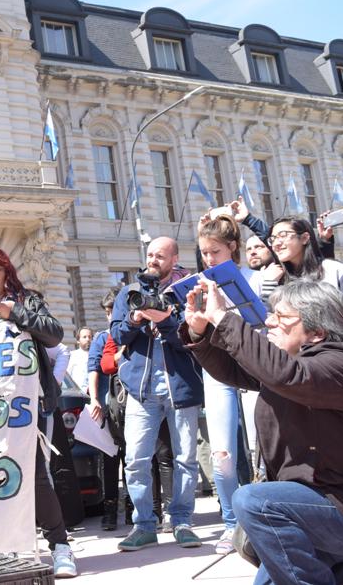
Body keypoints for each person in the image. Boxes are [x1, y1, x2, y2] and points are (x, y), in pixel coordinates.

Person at [180, 279, 343, 584]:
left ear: (317, 332)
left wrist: (223, 317)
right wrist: (200, 331)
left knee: (255, 501)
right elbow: (235, 369)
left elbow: (287, 375)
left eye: (282, 316)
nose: (269, 322)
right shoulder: (292, 366)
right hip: (314, 513)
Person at [0, 246, 77, 578]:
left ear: (6, 273)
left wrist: (15, 313)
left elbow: (54, 335)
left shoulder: (28, 301)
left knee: (36, 474)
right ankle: (4, 546)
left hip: (27, 404)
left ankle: (60, 546)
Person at [111, 237, 204, 551]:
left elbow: (192, 340)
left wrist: (166, 321)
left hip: (181, 388)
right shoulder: (129, 292)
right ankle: (144, 525)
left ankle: (182, 521)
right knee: (136, 460)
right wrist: (135, 318)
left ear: (174, 259)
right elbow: (116, 335)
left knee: (186, 459)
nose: (153, 260)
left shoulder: (187, 291)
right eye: (150, 254)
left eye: (160, 256)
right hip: (142, 390)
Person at [195, 215, 249, 554]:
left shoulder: (255, 278)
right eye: (204, 253)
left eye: (215, 251)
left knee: (260, 450)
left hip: (255, 370)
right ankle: (231, 524)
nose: (209, 259)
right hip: (217, 372)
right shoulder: (201, 286)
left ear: (232, 247)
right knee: (222, 454)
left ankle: (267, 519)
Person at [255, 217, 343, 343]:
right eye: (273, 239)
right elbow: (266, 324)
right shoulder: (275, 278)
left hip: (334, 352)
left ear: (305, 238)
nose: (276, 243)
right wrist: (269, 286)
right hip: (290, 354)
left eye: (283, 235)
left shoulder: (336, 271)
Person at [87, 287, 126, 531]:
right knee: (109, 461)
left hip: (130, 407)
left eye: (114, 310)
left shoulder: (131, 333)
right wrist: (94, 399)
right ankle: (110, 511)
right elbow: (93, 369)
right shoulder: (102, 339)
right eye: (108, 312)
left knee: (133, 459)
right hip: (107, 409)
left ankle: (132, 507)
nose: (110, 315)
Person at [66, 327, 94, 393]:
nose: (88, 339)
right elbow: (68, 376)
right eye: (84, 337)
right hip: (79, 394)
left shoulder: (97, 356)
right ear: (78, 340)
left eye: (90, 337)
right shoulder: (72, 356)